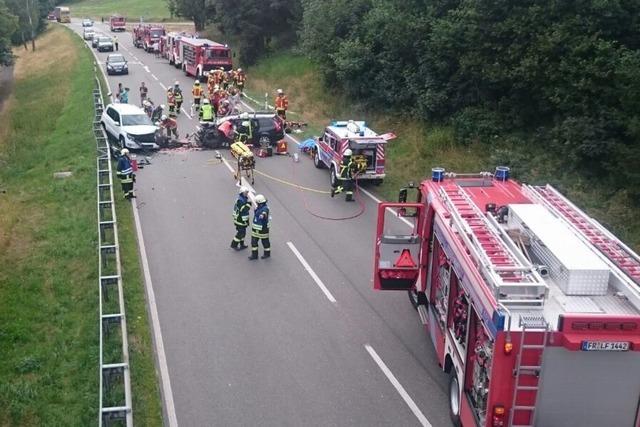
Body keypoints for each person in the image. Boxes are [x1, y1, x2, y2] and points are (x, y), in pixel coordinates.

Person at [248, 194, 270, 260]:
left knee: (265, 242)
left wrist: (263, 215)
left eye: (257, 202)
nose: (256, 203)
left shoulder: (265, 208)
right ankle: (254, 255)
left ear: (260, 202)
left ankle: (267, 253)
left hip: (262, 229)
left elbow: (265, 212)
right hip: (256, 229)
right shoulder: (259, 207)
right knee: (254, 242)